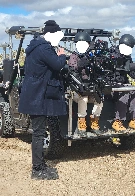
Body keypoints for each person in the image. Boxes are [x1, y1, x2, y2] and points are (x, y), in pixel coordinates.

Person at [18, 20, 68, 180]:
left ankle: (41, 165)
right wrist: (62, 55)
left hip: (34, 94)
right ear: (50, 35)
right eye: (57, 36)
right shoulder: (45, 48)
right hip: (37, 96)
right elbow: (57, 65)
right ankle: (37, 169)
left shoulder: (35, 47)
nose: (58, 41)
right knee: (39, 133)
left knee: (38, 132)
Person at [111, 34, 135, 132]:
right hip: (111, 84)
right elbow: (123, 66)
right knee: (125, 91)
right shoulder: (113, 55)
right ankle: (118, 121)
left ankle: (134, 120)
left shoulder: (127, 56)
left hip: (122, 84)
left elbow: (131, 72)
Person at [68, 53, 103, 136]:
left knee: (99, 99)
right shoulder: (74, 57)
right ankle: (81, 124)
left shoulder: (91, 56)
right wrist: (82, 63)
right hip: (76, 90)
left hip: (89, 89)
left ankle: (94, 122)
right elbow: (73, 69)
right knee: (83, 98)